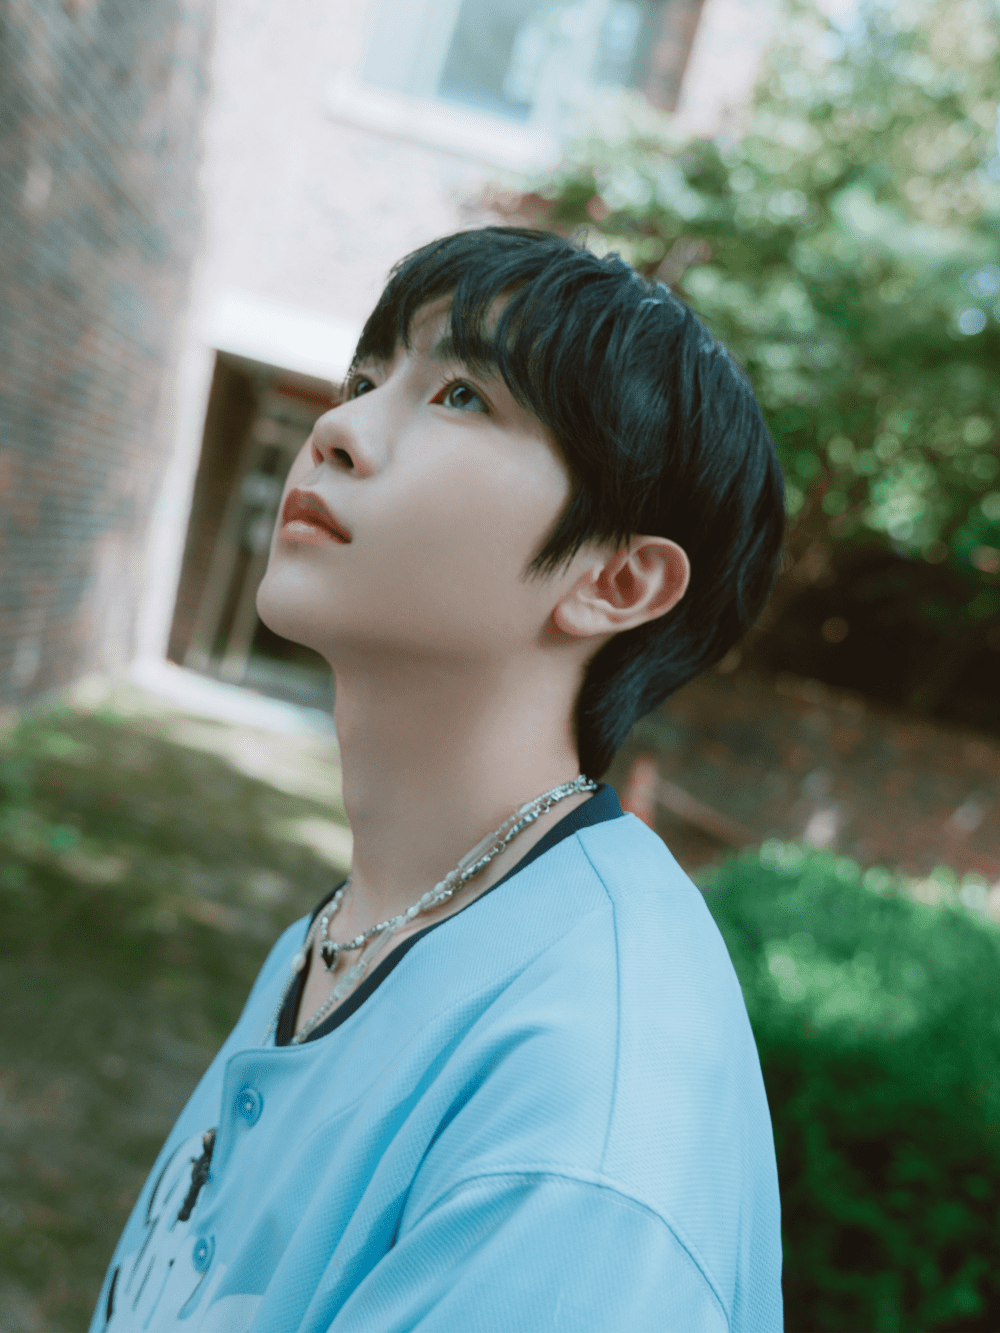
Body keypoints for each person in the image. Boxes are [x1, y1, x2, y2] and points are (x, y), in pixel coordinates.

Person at [91, 226, 786, 1332]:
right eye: (367, 379)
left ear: (614, 580)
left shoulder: (580, 1134)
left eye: (461, 395)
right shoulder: (362, 919)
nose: (338, 429)